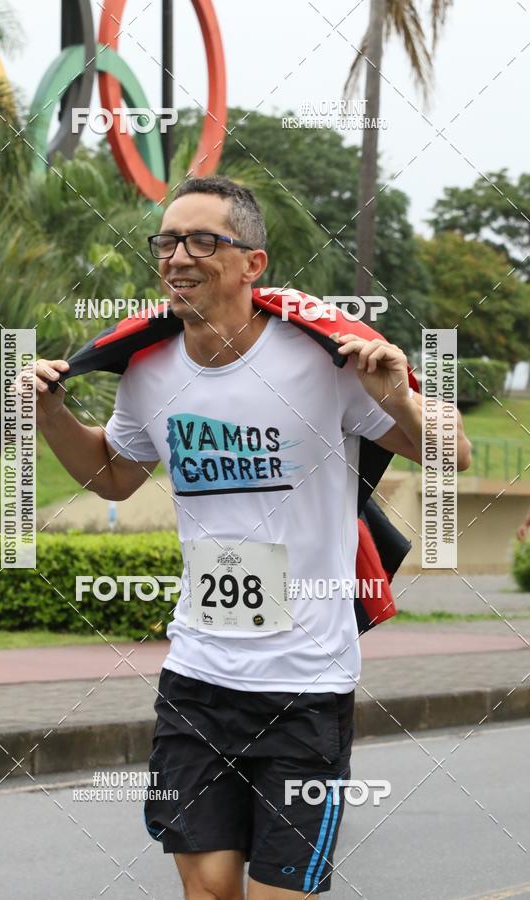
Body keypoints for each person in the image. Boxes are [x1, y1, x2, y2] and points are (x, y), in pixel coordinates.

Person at [32, 176, 472, 898]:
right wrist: (50, 415)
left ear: (251, 264)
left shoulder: (323, 358)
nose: (179, 256)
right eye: (168, 241)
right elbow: (113, 476)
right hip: (198, 679)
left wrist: (399, 398)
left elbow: (452, 453)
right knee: (207, 890)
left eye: (203, 241)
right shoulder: (148, 370)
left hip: (305, 685)